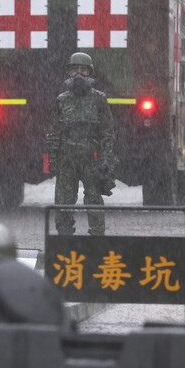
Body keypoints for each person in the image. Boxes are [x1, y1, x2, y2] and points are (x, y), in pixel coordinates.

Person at [45, 52, 116, 235]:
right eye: (74, 70)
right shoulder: (61, 100)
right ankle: (65, 242)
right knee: (63, 202)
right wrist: (51, 159)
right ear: (68, 73)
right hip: (67, 160)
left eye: (83, 70)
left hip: (91, 159)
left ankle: (97, 241)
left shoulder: (99, 99)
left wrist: (106, 158)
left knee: (94, 201)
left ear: (90, 73)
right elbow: (53, 132)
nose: (78, 74)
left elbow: (107, 133)